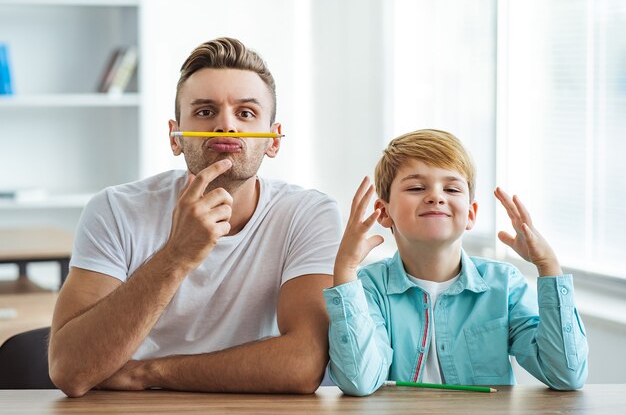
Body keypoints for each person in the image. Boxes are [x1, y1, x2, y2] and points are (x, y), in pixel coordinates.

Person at [49, 37, 342, 397]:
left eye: (246, 113)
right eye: (205, 112)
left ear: (274, 140)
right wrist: (177, 255)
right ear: (175, 137)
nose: (226, 127)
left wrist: (148, 372)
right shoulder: (115, 209)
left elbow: (303, 364)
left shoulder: (308, 214)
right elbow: (70, 370)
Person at [324, 129, 588, 396]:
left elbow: (566, 375)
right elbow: (359, 381)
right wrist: (345, 269)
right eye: (416, 188)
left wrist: (548, 267)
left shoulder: (505, 285)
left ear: (471, 214)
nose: (436, 197)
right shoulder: (368, 288)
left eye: (451, 188)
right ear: (383, 212)